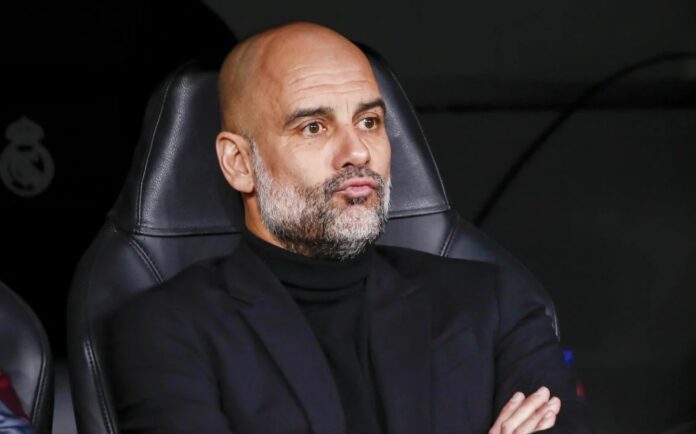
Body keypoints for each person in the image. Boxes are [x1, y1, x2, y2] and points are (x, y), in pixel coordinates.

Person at [109, 22, 593, 434]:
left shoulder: (494, 303)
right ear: (239, 163)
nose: (357, 152)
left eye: (369, 121)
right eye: (313, 127)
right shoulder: (166, 329)